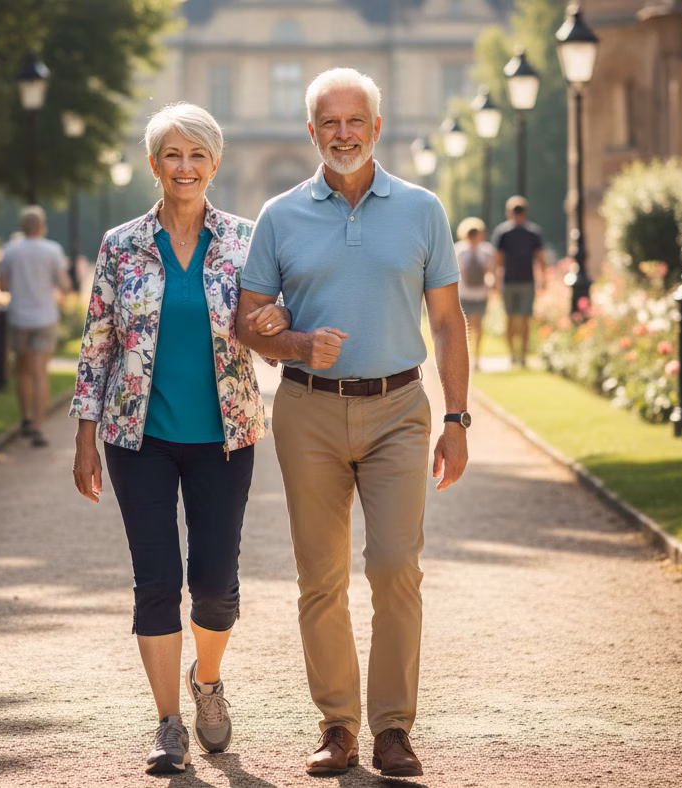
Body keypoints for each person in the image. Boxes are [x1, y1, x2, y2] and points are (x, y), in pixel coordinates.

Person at [235, 68, 469, 779]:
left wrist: (456, 418)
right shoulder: (279, 216)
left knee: (397, 566)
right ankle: (337, 723)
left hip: (400, 408)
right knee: (321, 576)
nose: (343, 134)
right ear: (313, 131)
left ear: (376, 124)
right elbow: (249, 325)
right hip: (306, 410)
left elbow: (449, 323)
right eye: (329, 123)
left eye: (355, 121)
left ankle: (393, 728)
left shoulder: (423, 208)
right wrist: (290, 340)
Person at [69, 103, 290, 775]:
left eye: (197, 155)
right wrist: (85, 437)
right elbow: (98, 345)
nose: (185, 167)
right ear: (153, 164)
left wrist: (280, 324)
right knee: (156, 581)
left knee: (216, 583)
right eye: (172, 155)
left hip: (226, 435)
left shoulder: (249, 242)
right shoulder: (120, 245)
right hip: (138, 437)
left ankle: (208, 683)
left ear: (215, 165)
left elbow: (272, 338)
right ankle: (168, 722)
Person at [0, 206, 72, 447]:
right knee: (41, 372)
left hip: (19, 316)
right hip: (45, 317)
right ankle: (39, 428)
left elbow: (1, 285)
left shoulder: (11, 250)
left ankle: (26, 419)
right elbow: (64, 285)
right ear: (41, 226)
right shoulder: (52, 250)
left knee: (23, 370)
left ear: (22, 226)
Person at [490, 195, 545, 367]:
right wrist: (495, 279)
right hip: (512, 281)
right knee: (513, 319)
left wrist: (543, 278)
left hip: (524, 281)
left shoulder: (532, 233)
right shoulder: (504, 233)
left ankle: (521, 355)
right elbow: (498, 259)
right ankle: (514, 354)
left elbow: (540, 257)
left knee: (523, 319)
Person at [454, 217, 496, 370]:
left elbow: (492, 271)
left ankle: (477, 356)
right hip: (465, 293)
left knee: (478, 324)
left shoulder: (486, 251)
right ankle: (468, 356)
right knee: (467, 326)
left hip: (480, 293)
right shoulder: (459, 251)